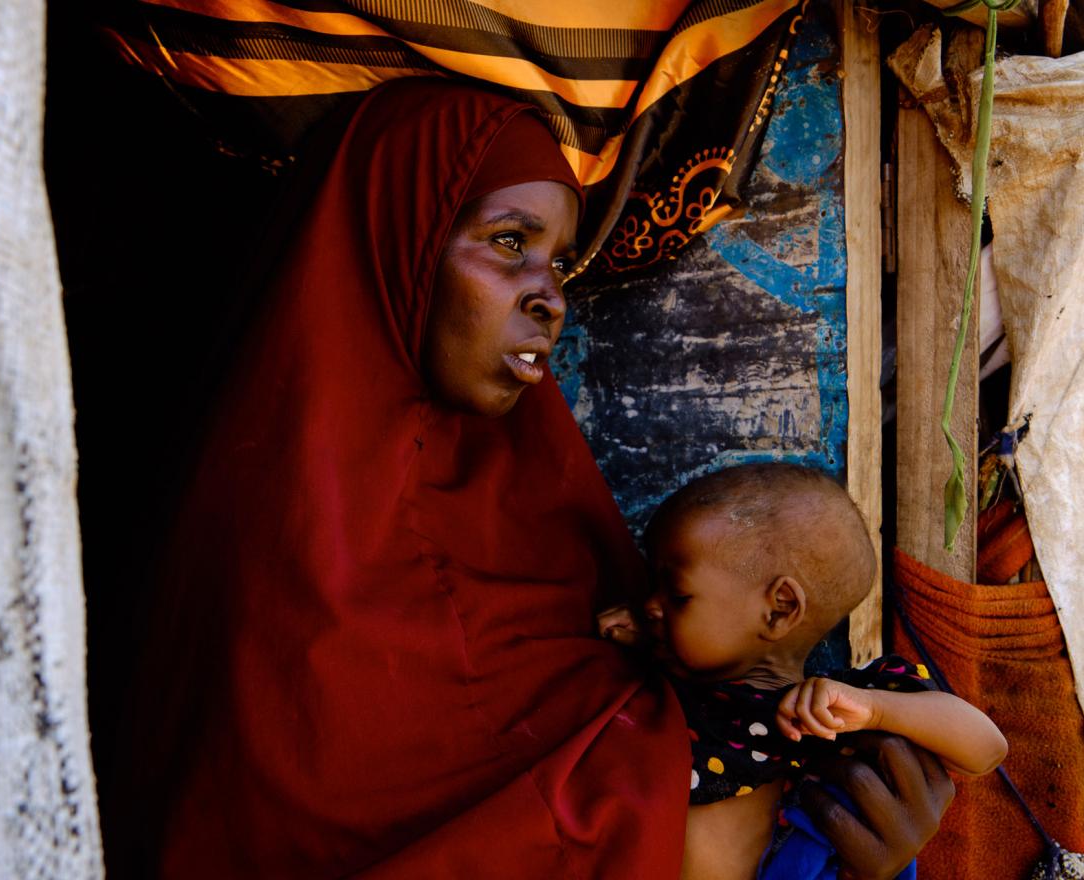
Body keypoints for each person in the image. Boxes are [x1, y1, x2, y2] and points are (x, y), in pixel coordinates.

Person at [110, 78, 955, 879]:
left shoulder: (541, 508)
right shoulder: (259, 551)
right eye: (509, 243)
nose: (550, 296)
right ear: (397, 242)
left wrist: (839, 828)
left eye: (558, 262)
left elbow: (665, 727)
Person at [599, 462, 1006, 880]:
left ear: (780, 609)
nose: (651, 604)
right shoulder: (671, 692)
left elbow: (987, 748)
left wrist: (877, 709)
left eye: (678, 595)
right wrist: (647, 636)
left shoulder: (829, 712)